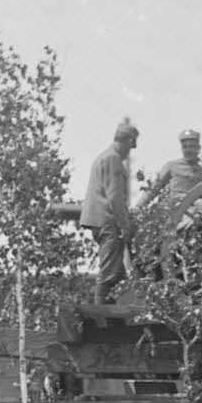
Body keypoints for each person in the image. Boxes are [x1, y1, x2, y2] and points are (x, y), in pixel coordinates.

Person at [80, 118, 139, 303]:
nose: (129, 152)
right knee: (109, 272)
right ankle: (99, 315)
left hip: (100, 220)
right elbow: (115, 197)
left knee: (118, 275)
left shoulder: (104, 157)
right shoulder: (112, 159)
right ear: (128, 141)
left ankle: (111, 313)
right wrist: (125, 225)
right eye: (131, 146)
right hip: (107, 221)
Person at [135, 129, 202, 211]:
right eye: (185, 147)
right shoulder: (172, 166)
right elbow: (154, 189)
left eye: (191, 146)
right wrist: (138, 207)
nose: (188, 150)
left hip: (197, 211)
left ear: (198, 148)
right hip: (176, 211)